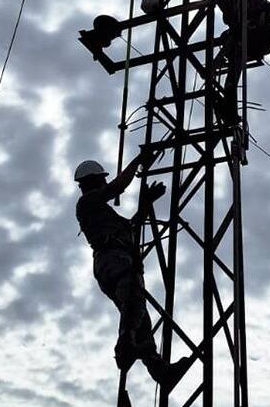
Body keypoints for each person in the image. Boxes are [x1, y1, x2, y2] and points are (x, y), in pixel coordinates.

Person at [74, 150, 188, 387]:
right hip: (113, 260)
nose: (105, 182)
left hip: (115, 261)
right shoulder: (87, 203)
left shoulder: (104, 214)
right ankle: (124, 347)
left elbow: (132, 227)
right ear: (92, 182)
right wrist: (138, 161)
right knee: (134, 302)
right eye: (101, 179)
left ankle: (161, 373)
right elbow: (117, 187)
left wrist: (147, 203)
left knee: (140, 320)